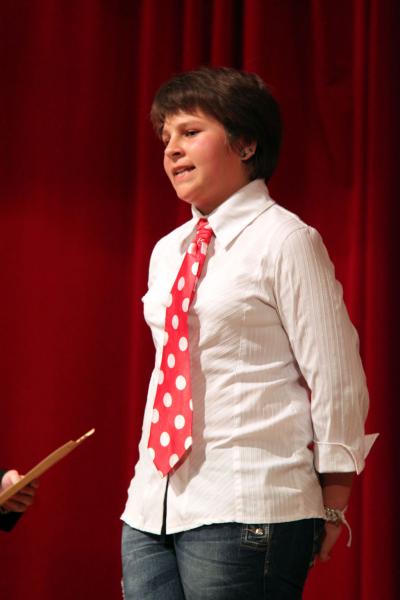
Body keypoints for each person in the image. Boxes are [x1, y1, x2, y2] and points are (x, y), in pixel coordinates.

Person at [121, 67, 377, 599]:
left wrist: (335, 497)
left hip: (249, 504)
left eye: (190, 132)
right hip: (152, 509)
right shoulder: (168, 250)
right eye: (166, 137)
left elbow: (336, 376)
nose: (171, 149)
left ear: (245, 143)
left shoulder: (286, 240)